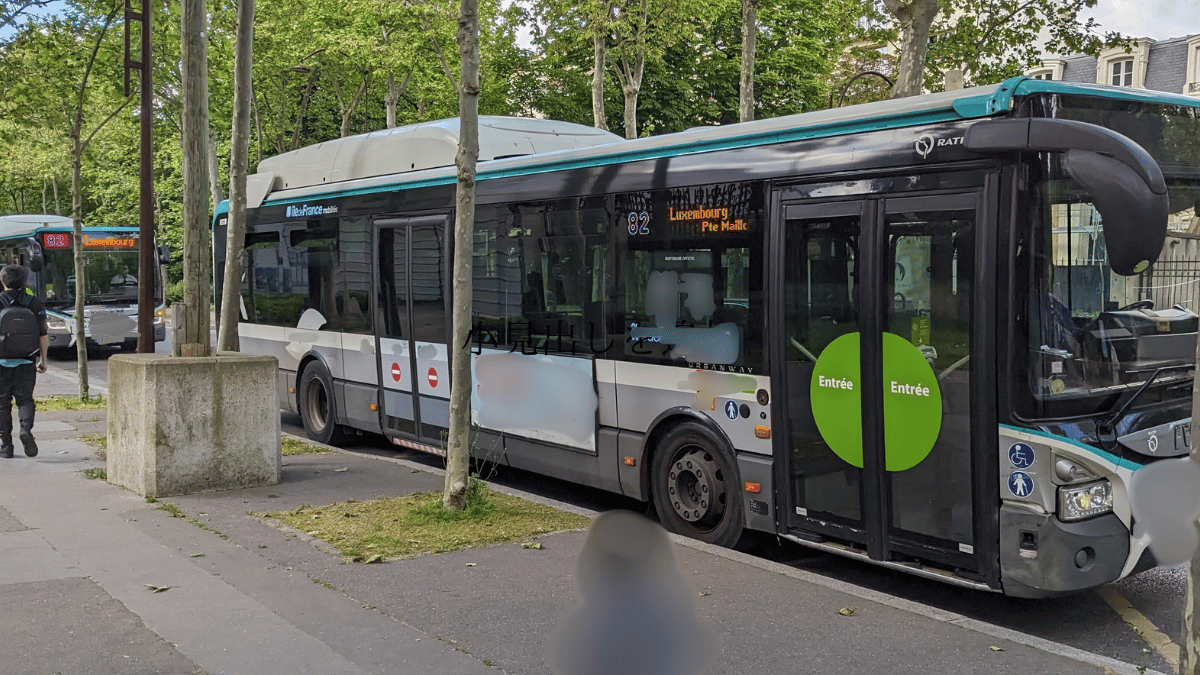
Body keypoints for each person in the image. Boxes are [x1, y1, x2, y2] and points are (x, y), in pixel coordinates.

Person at [0, 265, 48, 458]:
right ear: (24, 281)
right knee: (25, 399)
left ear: (3, 282)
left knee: (2, 403)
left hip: (1, 361)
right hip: (27, 360)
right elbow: (43, 334)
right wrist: (43, 359)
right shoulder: (34, 303)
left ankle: (5, 447)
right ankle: (25, 429)